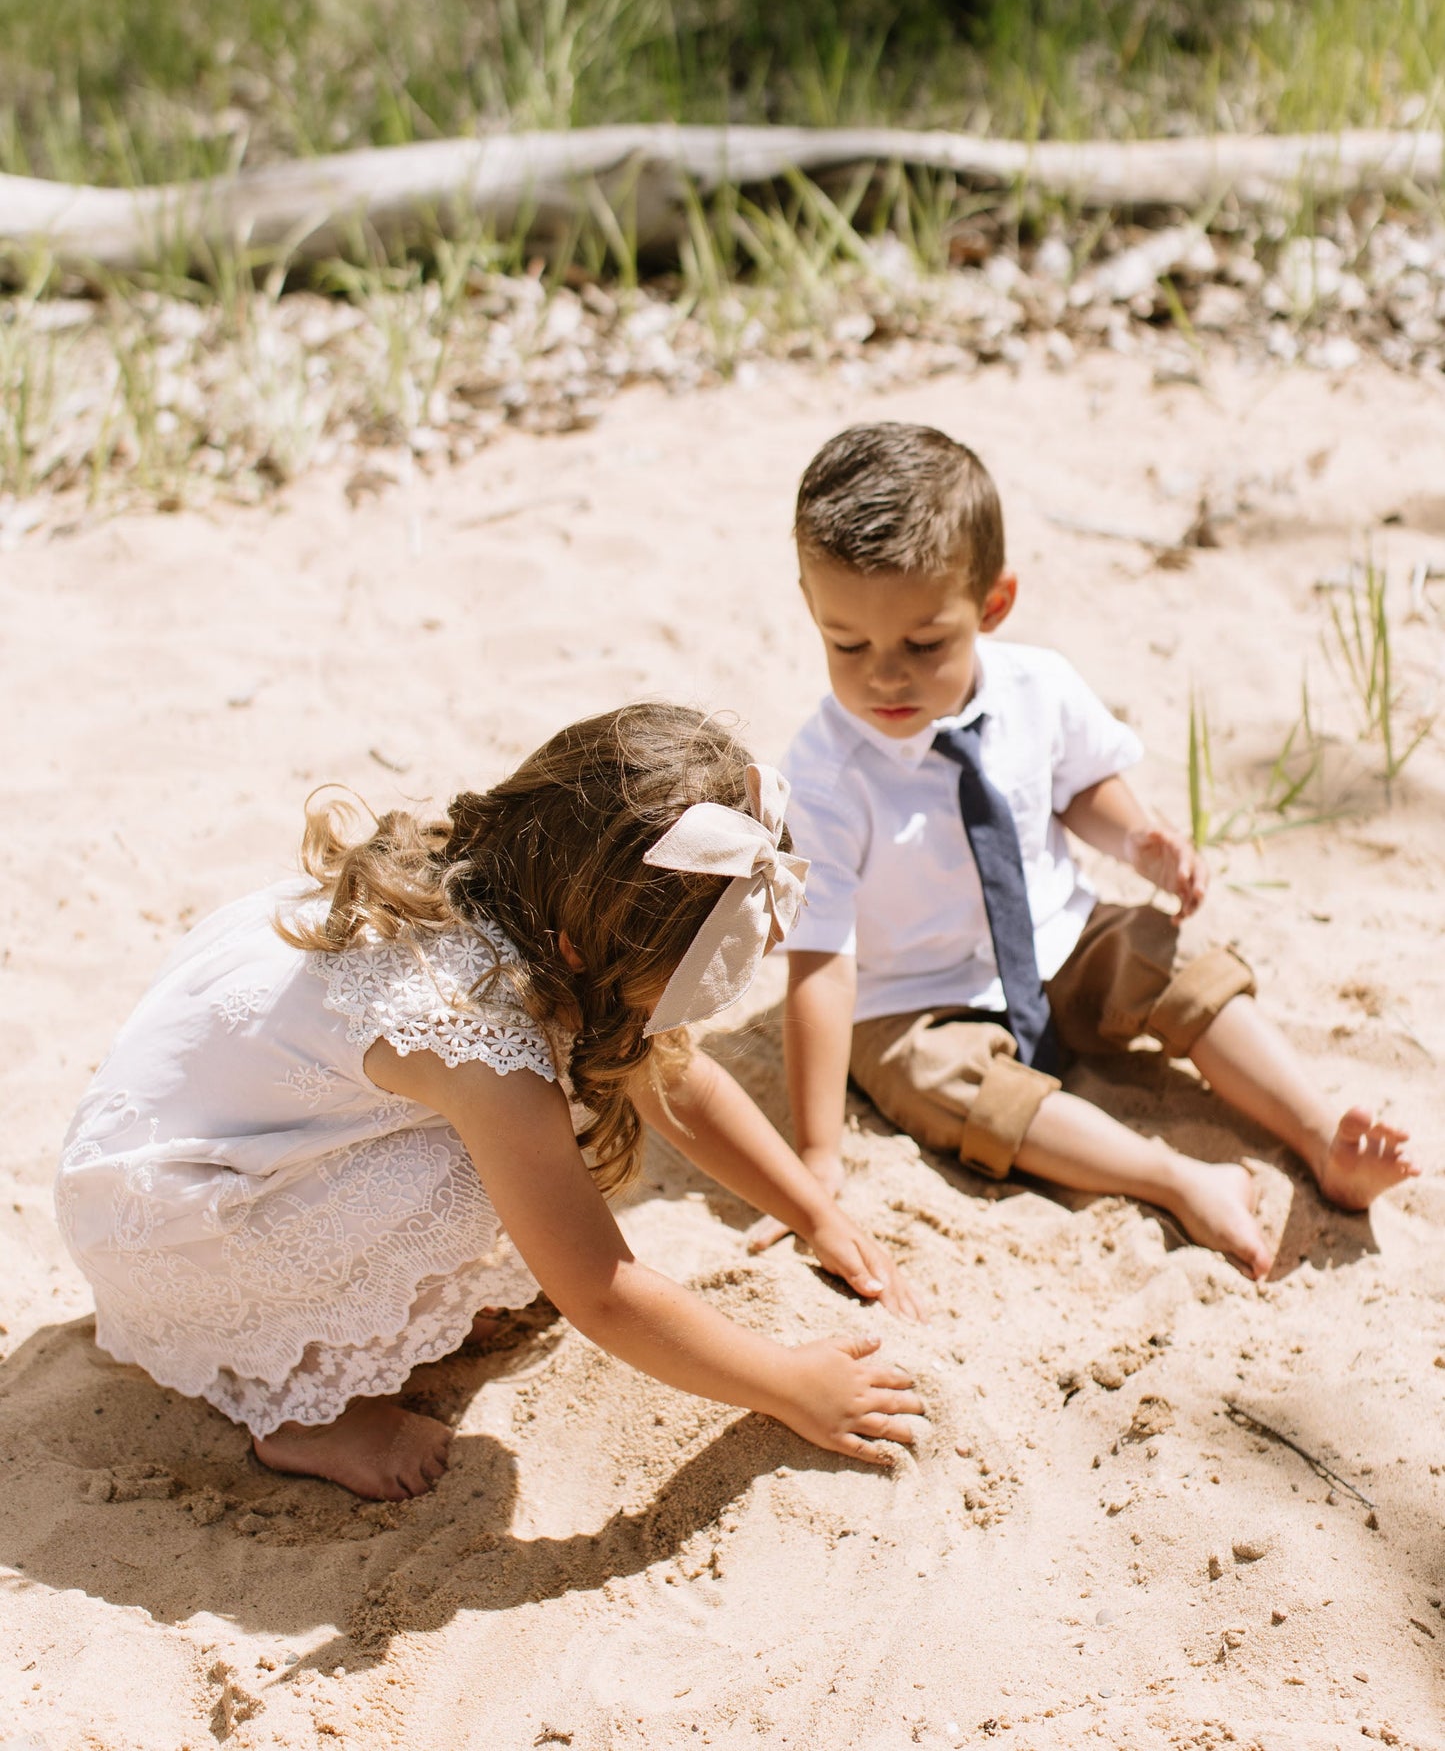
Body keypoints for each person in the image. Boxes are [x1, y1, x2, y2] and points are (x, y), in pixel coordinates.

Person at [56, 703, 925, 1502]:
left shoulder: (519, 890)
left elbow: (667, 1070)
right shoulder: (475, 1030)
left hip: (205, 1129)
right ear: (584, 953)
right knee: (480, 1161)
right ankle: (300, 1414)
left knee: (526, 1136)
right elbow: (601, 1290)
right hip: (168, 1219)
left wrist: (812, 1210)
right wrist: (789, 1384)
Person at [756, 422, 1418, 1281]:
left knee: (1174, 958)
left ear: (992, 605)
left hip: (1057, 940)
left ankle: (1319, 1132)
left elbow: (1073, 789)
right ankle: (1176, 1179)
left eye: (923, 644)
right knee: (950, 1086)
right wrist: (816, 1154)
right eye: (847, 644)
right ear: (812, 606)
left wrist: (1139, 839)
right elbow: (821, 964)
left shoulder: (1038, 688)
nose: (885, 675)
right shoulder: (823, 777)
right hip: (916, 998)